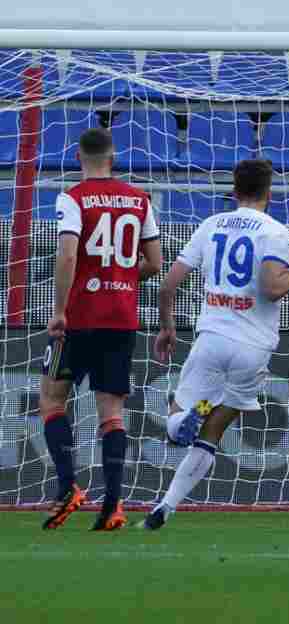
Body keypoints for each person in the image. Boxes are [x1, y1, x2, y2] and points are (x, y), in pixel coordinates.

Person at [142, 159, 289, 530]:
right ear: (269, 194)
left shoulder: (211, 226)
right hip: (253, 348)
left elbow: (166, 285)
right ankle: (166, 506)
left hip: (212, 337)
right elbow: (272, 289)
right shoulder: (274, 231)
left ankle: (183, 424)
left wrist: (166, 328)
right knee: (212, 434)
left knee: (178, 418)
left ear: (234, 190)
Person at [40, 127, 164, 531]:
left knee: (52, 400)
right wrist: (123, 280)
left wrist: (59, 310)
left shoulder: (73, 198)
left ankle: (67, 488)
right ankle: (113, 506)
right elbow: (155, 263)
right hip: (121, 317)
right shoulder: (139, 199)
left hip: (79, 316)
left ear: (79, 157)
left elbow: (68, 253)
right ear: (114, 157)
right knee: (111, 412)